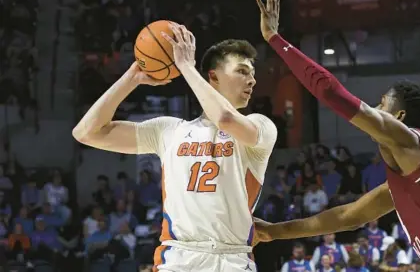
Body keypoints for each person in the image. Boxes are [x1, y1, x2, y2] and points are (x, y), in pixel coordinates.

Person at [253, 0, 420, 272]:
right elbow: (346, 216)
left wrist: (275, 40)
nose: (373, 108)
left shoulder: (411, 142)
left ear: (399, 116)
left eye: (381, 104)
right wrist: (274, 232)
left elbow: (332, 93)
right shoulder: (406, 180)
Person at [72, 22, 277, 271]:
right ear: (213, 76)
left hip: (232, 258)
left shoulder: (261, 126)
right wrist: (131, 79)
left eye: (252, 74)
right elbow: (86, 132)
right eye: (243, 71)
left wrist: (186, 67)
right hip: (178, 257)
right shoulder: (169, 130)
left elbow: (225, 119)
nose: (252, 81)